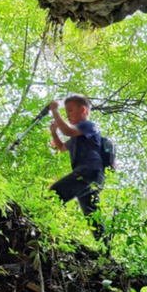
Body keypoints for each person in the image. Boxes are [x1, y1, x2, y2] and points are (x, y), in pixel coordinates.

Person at [49, 95, 105, 240]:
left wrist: (55, 110)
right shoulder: (77, 136)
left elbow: (67, 130)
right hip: (92, 175)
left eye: (70, 110)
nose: (68, 115)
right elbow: (61, 147)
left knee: (54, 193)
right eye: (66, 112)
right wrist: (54, 132)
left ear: (83, 110)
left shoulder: (89, 126)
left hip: (89, 170)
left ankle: (41, 223)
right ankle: (106, 249)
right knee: (92, 215)